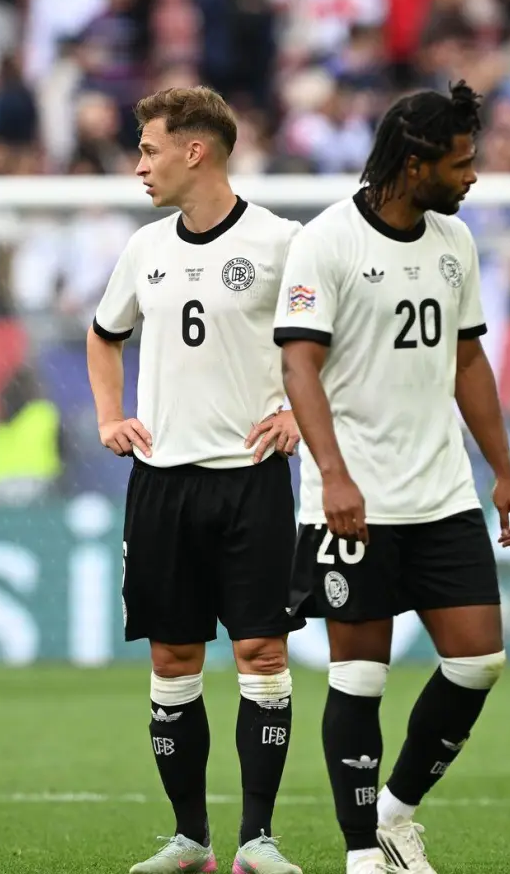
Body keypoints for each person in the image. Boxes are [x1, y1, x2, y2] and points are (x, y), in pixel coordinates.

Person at [272, 82, 510, 874]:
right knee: (359, 676)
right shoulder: (327, 243)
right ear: (413, 163)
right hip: (353, 501)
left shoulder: (455, 242)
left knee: (479, 659)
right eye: (460, 163)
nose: (472, 176)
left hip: (441, 491)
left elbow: (468, 360)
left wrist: (504, 471)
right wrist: (334, 476)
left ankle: (396, 810)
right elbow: (298, 365)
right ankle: (361, 856)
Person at [87, 86, 305, 874]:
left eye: (148, 148)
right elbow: (104, 335)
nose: (139, 164)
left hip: (250, 480)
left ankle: (258, 840)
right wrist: (111, 417)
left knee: (261, 652)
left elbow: (333, 339)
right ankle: (191, 840)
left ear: (195, 150)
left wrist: (301, 417)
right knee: (173, 661)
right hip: (163, 483)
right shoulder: (145, 249)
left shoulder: (283, 243)